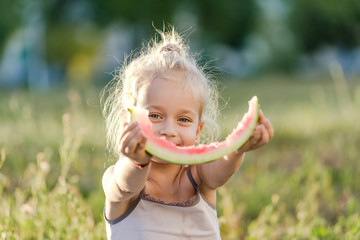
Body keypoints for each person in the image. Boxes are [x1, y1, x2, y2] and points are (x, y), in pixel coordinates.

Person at [101, 27, 274, 240]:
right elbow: (125, 185)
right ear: (128, 121)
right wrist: (136, 162)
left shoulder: (199, 176)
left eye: (183, 120)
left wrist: (238, 148)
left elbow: (221, 170)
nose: (168, 131)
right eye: (154, 116)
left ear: (198, 130)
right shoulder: (116, 178)